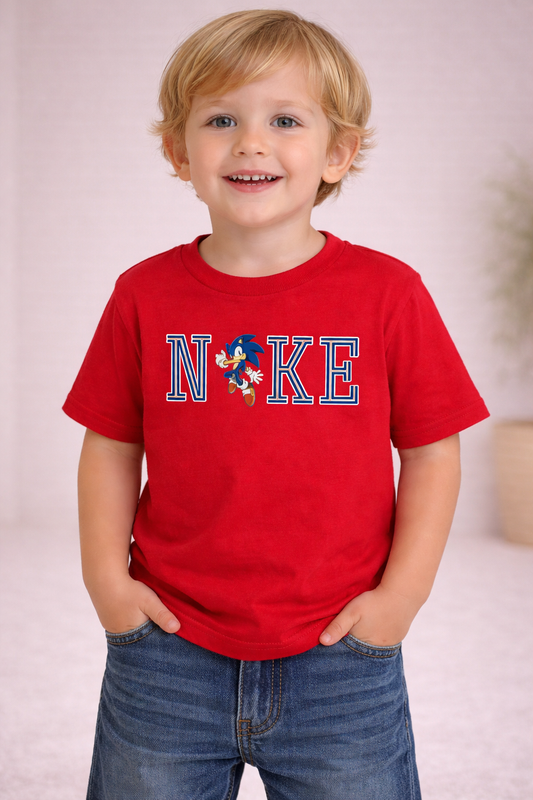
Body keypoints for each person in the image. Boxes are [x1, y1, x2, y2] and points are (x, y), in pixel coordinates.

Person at [63, 9, 489, 800]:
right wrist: (107, 585)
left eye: (284, 120)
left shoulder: (387, 295)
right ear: (177, 151)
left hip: (340, 657)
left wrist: (399, 600)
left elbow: (432, 448)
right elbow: (111, 442)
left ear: (336, 153)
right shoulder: (143, 295)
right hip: (167, 648)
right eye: (220, 119)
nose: (250, 142)